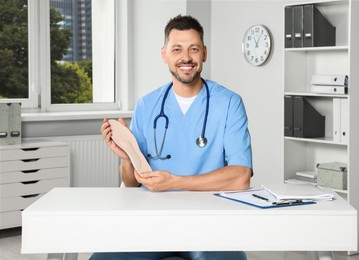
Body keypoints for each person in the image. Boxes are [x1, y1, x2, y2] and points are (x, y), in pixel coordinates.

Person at [91, 14, 252, 260]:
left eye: (193, 49)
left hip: (209, 224)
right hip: (151, 223)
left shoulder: (229, 103)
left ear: (204, 54)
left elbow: (241, 178)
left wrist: (174, 182)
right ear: (164, 54)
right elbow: (133, 183)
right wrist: (126, 159)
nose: (185, 58)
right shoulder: (146, 105)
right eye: (177, 49)